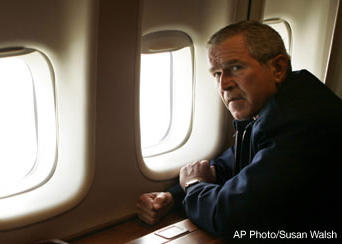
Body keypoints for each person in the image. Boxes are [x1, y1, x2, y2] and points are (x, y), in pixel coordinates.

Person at [136, 20, 342, 239]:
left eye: (235, 67)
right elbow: (230, 164)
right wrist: (174, 196)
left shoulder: (299, 122)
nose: (223, 85)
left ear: (278, 69)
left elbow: (234, 219)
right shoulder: (268, 108)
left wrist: (194, 186)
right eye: (216, 73)